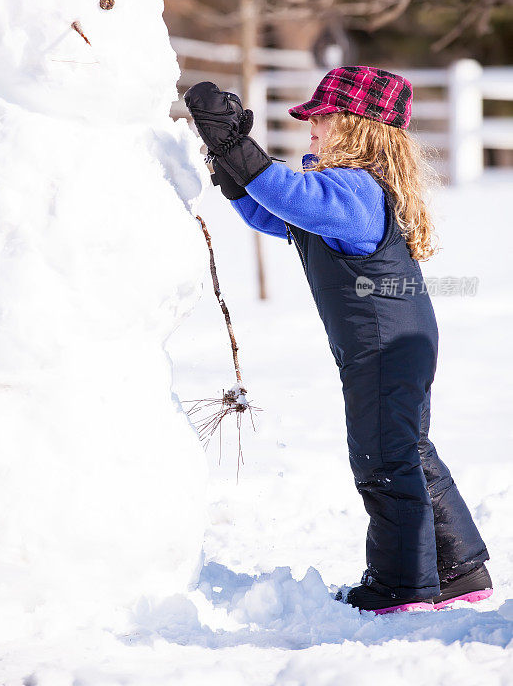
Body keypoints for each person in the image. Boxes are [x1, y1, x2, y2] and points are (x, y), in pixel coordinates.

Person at [184, 67, 492, 615]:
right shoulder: (346, 193)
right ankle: (458, 569)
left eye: (320, 121)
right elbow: (273, 209)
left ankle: (402, 585)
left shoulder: (351, 191)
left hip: (383, 346)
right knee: (409, 448)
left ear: (355, 127)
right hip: (398, 339)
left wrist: (237, 145)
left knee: (383, 457)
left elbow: (288, 193)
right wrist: (230, 161)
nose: (310, 130)